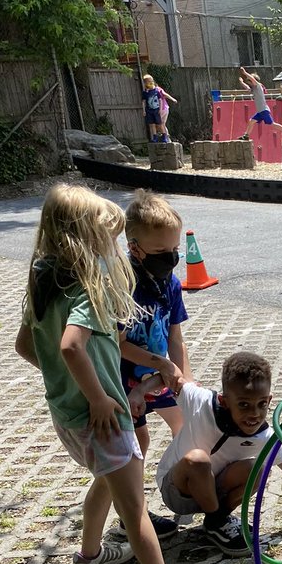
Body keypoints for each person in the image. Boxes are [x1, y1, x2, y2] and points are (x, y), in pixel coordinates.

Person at [14, 185, 210, 564]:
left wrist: (69, 386)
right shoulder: (90, 286)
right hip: (104, 416)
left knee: (107, 477)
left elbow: (27, 346)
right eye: (111, 238)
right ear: (87, 239)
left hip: (67, 414)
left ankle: (89, 556)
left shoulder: (44, 283)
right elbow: (69, 346)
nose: (117, 247)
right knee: (134, 507)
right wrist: (100, 396)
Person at [153, 351, 282, 554]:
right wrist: (139, 392)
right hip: (178, 490)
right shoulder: (200, 401)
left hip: (214, 491)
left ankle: (216, 521)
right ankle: (217, 521)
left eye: (262, 405)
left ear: (270, 399)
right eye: (244, 405)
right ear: (224, 401)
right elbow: (172, 378)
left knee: (257, 470)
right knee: (198, 459)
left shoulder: (264, 436)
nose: (254, 414)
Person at [119, 190, 191, 541]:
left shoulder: (170, 283)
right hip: (125, 381)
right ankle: (132, 514)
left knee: (188, 426)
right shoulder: (121, 285)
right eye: (162, 253)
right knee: (137, 446)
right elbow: (117, 343)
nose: (171, 259)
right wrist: (159, 365)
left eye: (175, 250)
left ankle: (189, 489)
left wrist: (184, 381)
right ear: (135, 248)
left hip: (162, 376)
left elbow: (176, 335)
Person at [238, 66, 282, 142]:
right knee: (251, 121)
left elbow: (252, 79)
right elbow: (247, 88)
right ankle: (246, 135)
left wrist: (245, 73)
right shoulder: (254, 89)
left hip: (263, 110)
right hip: (260, 111)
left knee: (272, 124)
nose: (249, 83)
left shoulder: (258, 86)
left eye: (249, 81)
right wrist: (241, 82)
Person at [141, 74, 177, 144]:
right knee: (156, 124)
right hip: (153, 110)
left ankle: (166, 137)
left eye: (151, 81)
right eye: (148, 82)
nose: (150, 83)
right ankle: (158, 137)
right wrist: (144, 110)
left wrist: (172, 99)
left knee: (161, 124)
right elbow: (143, 101)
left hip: (162, 108)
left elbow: (164, 94)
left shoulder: (157, 89)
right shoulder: (146, 92)